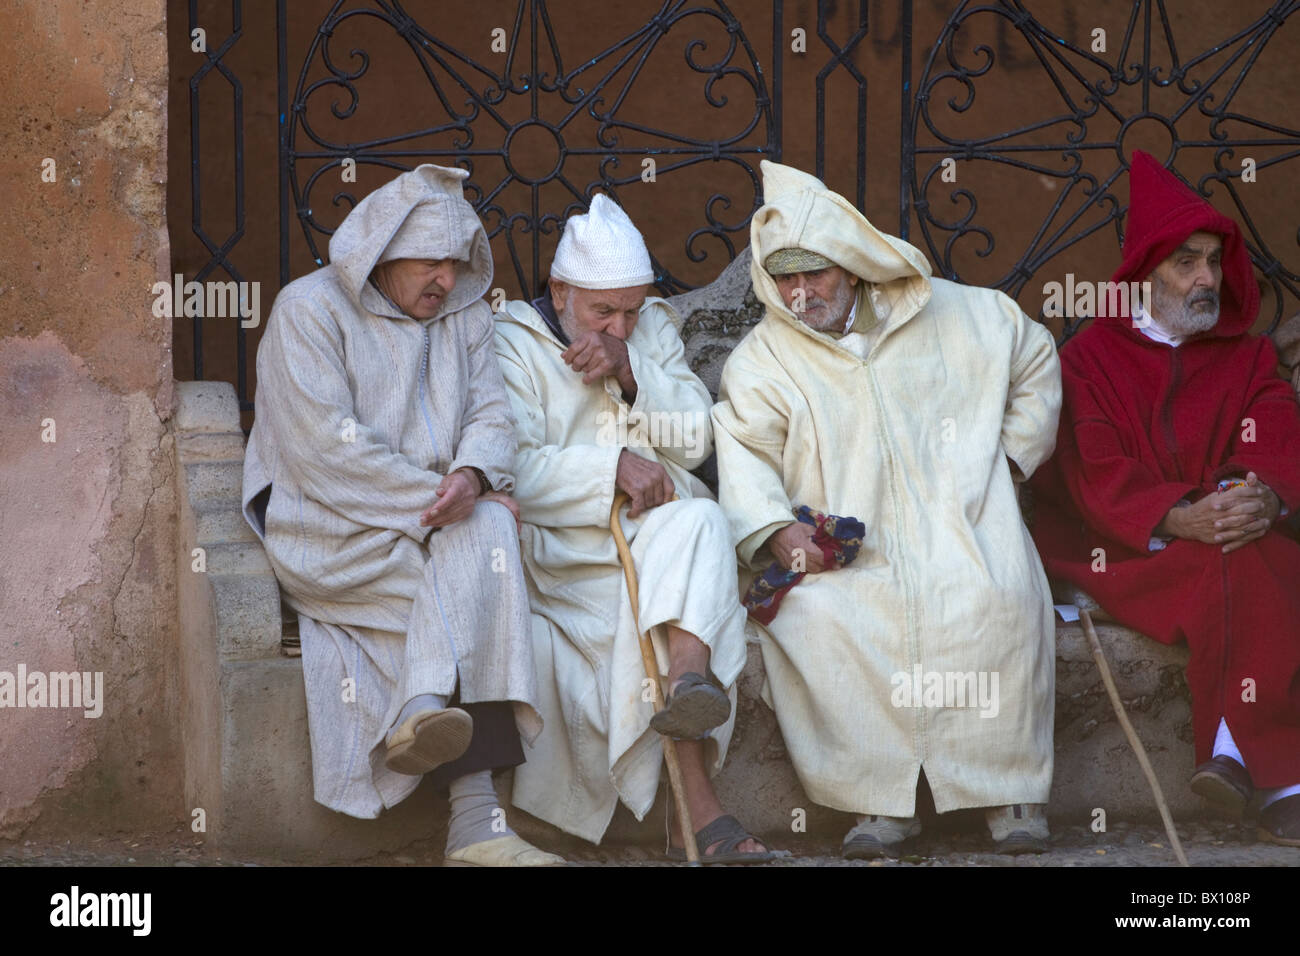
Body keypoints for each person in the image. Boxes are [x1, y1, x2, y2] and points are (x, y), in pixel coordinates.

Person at [711, 160, 1062, 858]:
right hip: (845, 551)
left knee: (996, 596)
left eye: (817, 274)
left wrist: (1013, 459)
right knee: (824, 624)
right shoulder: (762, 361)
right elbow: (744, 449)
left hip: (963, 526)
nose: (802, 292)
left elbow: (1036, 360)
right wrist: (778, 530)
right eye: (786, 278)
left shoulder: (967, 314)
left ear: (853, 265)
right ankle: (880, 802)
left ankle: (1006, 790)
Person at [241, 164, 562, 866]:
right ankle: (477, 824)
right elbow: (325, 451)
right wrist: (439, 500)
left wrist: (474, 476)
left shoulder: (467, 319)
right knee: (478, 576)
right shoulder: (308, 312)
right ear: (380, 253)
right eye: (427, 263)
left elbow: (493, 416)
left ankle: (424, 713)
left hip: (438, 528)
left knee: (491, 536)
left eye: (455, 263)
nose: (443, 280)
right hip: (331, 532)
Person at [1029, 150, 1300, 846]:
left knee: (1249, 555)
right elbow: (1095, 472)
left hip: (1232, 536)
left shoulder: (1247, 356)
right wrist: (1181, 516)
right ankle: (1276, 776)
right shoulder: (1088, 357)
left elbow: (1273, 435)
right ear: (1145, 272)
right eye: (1186, 261)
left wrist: (1257, 498)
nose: (1207, 278)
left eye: (1213, 260)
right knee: (1234, 566)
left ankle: (1235, 760)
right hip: (1124, 546)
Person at [494, 194, 772, 862]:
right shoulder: (507, 341)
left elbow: (696, 435)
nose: (620, 324)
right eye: (602, 312)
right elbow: (507, 468)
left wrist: (632, 372)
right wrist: (608, 467)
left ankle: (688, 683)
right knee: (669, 605)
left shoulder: (650, 328)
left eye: (630, 309)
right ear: (560, 292)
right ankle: (702, 816)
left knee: (703, 518)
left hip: (658, 539)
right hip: (568, 552)